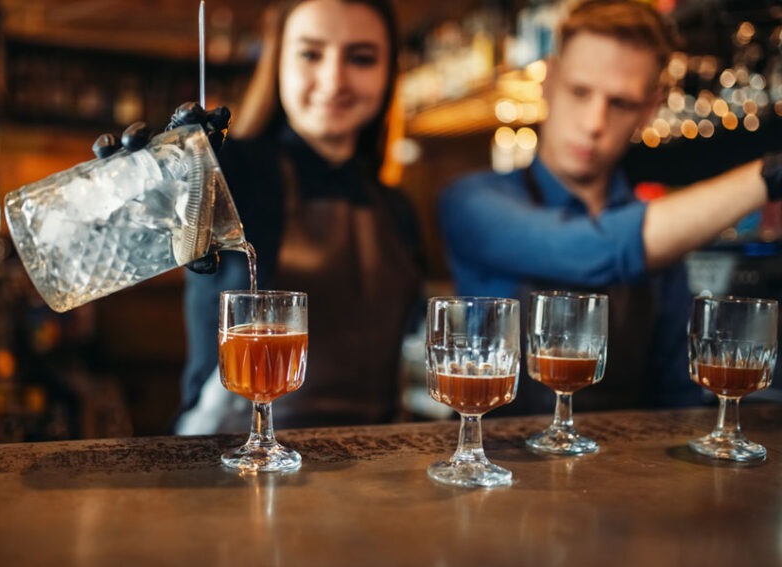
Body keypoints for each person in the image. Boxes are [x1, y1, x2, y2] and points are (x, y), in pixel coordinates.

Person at [439, 0, 782, 415]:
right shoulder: (473, 201)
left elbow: (676, 397)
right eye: (579, 91)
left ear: (649, 109)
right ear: (547, 82)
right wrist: (768, 176)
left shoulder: (663, 233)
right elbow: (593, 250)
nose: (594, 122)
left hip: (621, 474)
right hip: (496, 469)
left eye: (619, 103)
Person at [173, 0, 423, 432]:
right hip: (231, 455)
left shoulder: (397, 207)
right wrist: (144, 178)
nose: (334, 79)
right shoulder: (229, 173)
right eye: (310, 54)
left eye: (361, 58)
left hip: (369, 463)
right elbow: (123, 225)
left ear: (389, 73)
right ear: (278, 64)